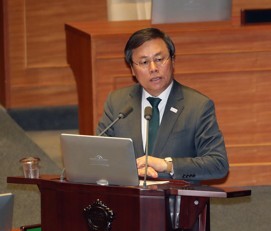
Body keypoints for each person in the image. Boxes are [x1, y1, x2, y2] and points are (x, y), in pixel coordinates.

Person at [96, 27, 229, 182]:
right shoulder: (117, 102)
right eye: (144, 62)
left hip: (175, 201)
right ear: (132, 69)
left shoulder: (197, 106)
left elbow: (218, 165)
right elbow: (99, 155)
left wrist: (167, 165)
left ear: (172, 61)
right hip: (128, 199)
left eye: (159, 59)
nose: (153, 68)